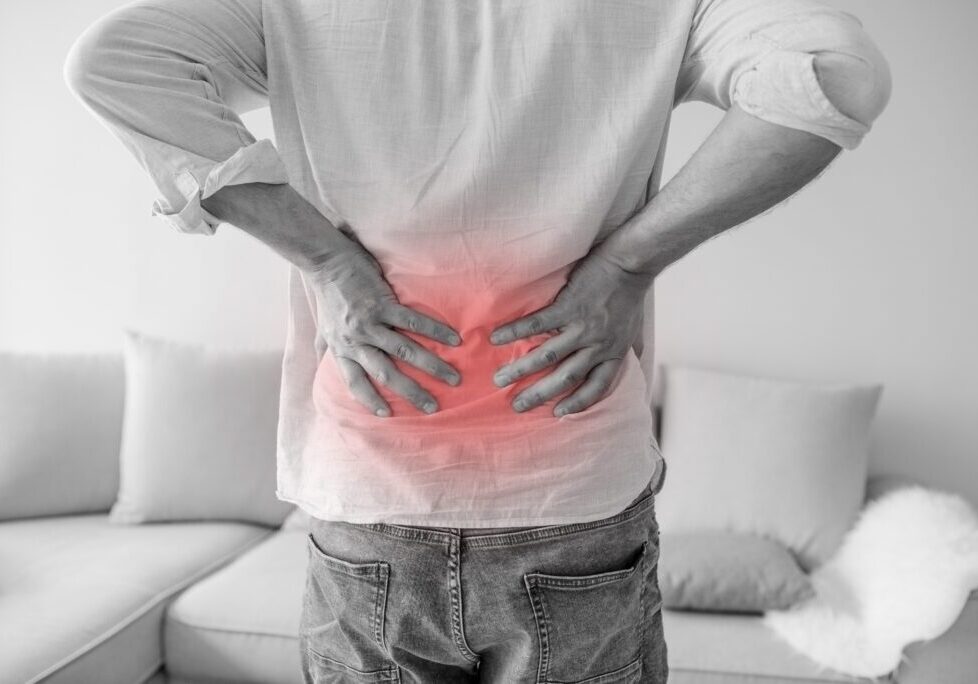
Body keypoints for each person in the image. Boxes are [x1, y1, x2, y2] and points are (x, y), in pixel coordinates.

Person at [63, 0, 890, 681]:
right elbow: (835, 76)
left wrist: (329, 263)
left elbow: (112, 61)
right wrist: (626, 266)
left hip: (374, 483)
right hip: (572, 484)